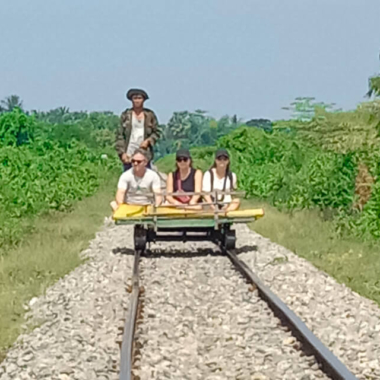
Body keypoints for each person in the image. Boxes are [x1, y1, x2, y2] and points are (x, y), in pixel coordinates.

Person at [115, 88, 160, 172]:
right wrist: (122, 153)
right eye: (135, 98)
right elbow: (119, 135)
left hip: (144, 153)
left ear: (143, 100)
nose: (137, 101)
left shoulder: (150, 115)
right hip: (129, 153)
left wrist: (148, 141)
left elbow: (157, 132)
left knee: (145, 180)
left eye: (139, 98)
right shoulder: (125, 115)